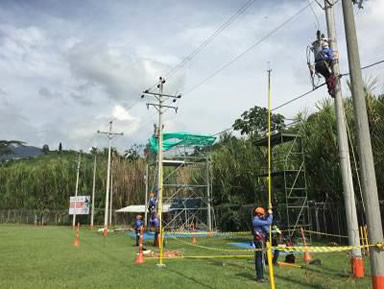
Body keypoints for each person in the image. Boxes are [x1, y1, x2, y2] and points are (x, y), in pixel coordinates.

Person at [252, 206, 273, 283]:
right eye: (261, 214)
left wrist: (269, 211)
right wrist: (270, 215)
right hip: (258, 241)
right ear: (258, 214)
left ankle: (261, 276)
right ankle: (259, 277)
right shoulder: (256, 221)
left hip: (261, 241)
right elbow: (268, 222)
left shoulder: (258, 219)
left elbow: (265, 222)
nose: (262, 216)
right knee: (259, 259)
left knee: (261, 259)